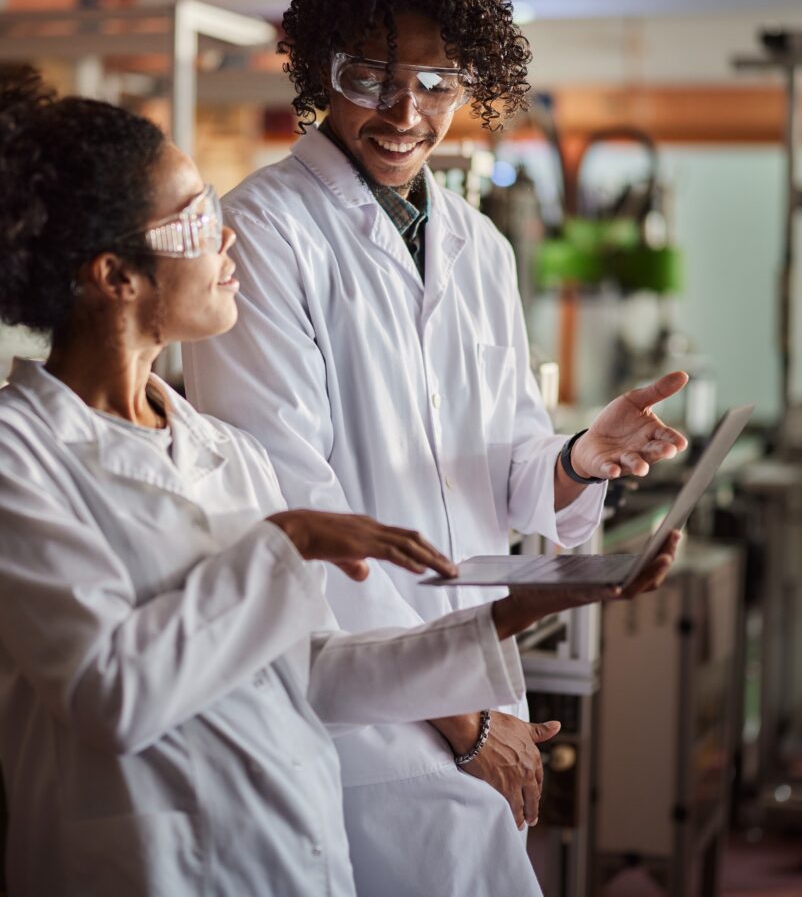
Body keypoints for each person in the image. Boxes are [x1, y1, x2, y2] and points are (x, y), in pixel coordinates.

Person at [0, 69, 680, 897]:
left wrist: (522, 604)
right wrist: (289, 544)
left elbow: (313, 670)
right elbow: (113, 696)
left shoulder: (219, 451)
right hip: (155, 862)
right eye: (198, 220)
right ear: (115, 276)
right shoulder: (18, 456)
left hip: (288, 849)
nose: (227, 238)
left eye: (437, 80)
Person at [182, 0, 689, 897]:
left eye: (436, 82)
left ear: (473, 83)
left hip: (467, 675)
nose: (403, 110)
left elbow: (493, 462)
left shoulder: (477, 246)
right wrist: (463, 723)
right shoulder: (264, 230)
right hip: (355, 716)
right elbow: (293, 518)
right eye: (368, 74)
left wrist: (581, 454)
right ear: (317, 67)